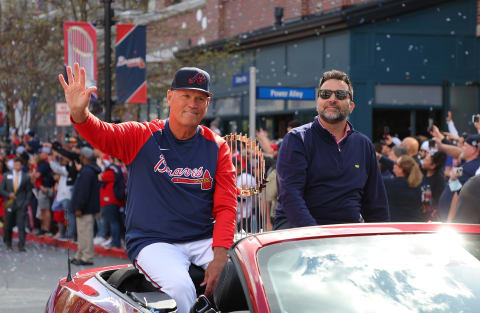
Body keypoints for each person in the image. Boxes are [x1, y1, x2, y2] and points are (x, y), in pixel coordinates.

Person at [59, 63, 237, 313]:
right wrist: (81, 114)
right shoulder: (143, 135)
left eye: (200, 98)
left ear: (207, 103)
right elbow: (104, 134)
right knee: (181, 286)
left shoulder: (217, 146)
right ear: (169, 97)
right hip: (154, 241)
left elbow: (227, 206)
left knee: (242, 276)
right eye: (186, 95)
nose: (193, 104)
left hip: (201, 238)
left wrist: (220, 257)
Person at [274, 69, 389, 229]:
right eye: (325, 94)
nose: (332, 99)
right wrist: (317, 238)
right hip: (298, 234)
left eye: (341, 95)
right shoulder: (297, 139)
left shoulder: (363, 145)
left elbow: (376, 205)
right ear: (317, 103)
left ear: (351, 106)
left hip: (347, 236)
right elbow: (290, 196)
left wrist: (380, 238)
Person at [70, 147, 101, 265]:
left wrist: (79, 207)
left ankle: (87, 257)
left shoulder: (87, 171)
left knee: (86, 233)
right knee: (82, 232)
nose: (80, 159)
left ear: (85, 157)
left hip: (85, 209)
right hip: (85, 208)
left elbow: (84, 192)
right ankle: (80, 254)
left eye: (82, 157)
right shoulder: (88, 170)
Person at [0, 157, 33, 251]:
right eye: (15, 165)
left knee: (21, 225)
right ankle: (8, 243)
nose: (16, 166)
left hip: (21, 204)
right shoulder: (6, 175)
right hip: (9, 203)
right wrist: (8, 194)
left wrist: (26, 202)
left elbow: (29, 191)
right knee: (8, 225)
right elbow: (1, 189)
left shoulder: (26, 176)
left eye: (18, 165)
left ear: (22, 166)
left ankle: (21, 245)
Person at [383, 156, 424, 222]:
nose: (393, 164)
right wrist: (381, 157)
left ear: (401, 169)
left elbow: (376, 178)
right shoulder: (417, 183)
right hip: (415, 223)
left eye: (395, 163)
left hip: (397, 224)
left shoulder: (391, 184)